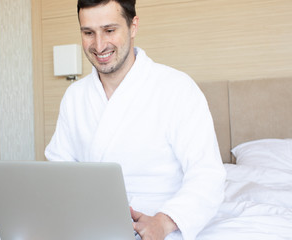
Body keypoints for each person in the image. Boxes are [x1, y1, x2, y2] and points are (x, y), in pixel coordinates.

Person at [45, 0, 226, 239]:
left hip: (160, 222)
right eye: (89, 33)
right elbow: (59, 170)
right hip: (90, 224)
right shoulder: (75, 96)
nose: (99, 45)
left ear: (133, 26)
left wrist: (164, 222)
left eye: (109, 30)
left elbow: (207, 175)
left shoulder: (177, 88)